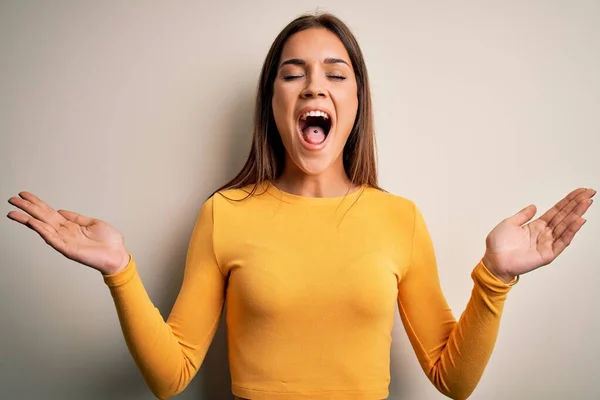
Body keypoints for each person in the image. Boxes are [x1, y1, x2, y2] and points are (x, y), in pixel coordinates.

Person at [6, 12, 594, 400]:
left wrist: (495, 278)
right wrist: (120, 271)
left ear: (356, 102)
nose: (315, 87)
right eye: (294, 75)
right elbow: (171, 374)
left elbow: (453, 379)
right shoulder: (225, 213)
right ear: (273, 102)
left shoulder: (399, 220)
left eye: (335, 75)